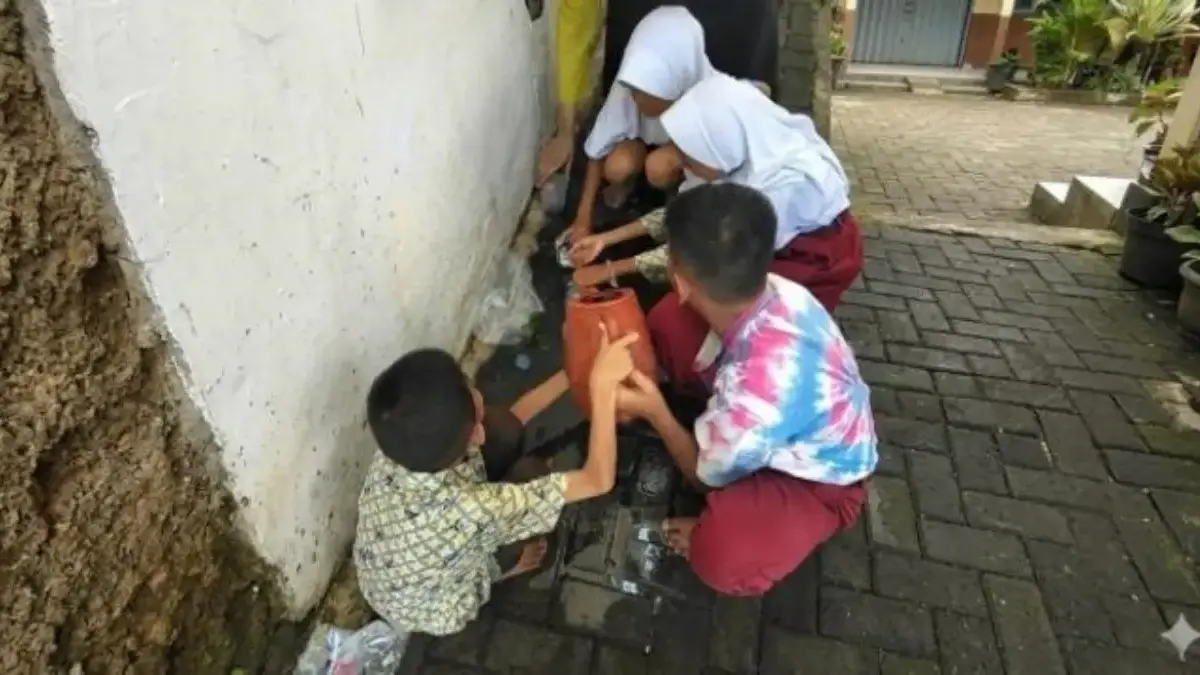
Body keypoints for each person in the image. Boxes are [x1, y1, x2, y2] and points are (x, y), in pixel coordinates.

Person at [613, 182, 876, 595]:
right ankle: (709, 427)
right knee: (669, 321)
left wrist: (654, 411)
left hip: (822, 484)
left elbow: (706, 479)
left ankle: (738, 531)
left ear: (679, 279)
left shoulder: (754, 400)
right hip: (776, 414)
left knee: (724, 550)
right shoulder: (783, 289)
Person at [354, 330, 638, 636]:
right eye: (469, 387)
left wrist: (581, 368)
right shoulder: (475, 508)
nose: (475, 389)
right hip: (432, 602)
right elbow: (598, 479)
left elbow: (516, 415)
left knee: (502, 426)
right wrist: (603, 388)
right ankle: (504, 566)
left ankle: (498, 541)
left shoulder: (398, 447)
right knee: (533, 472)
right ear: (474, 436)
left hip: (394, 568)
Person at [571, 73, 863, 316]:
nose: (681, 161)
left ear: (716, 141)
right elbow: (693, 212)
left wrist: (609, 270)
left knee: (674, 322)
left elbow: (709, 253)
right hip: (765, 246)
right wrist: (604, 240)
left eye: (689, 152)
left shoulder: (782, 189)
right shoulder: (742, 147)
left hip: (810, 260)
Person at [537, 0, 779, 185]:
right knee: (629, 158)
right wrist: (566, 129)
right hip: (645, 24)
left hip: (734, 28)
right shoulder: (641, 68)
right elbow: (578, 18)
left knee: (717, 157)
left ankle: (710, 161)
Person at [567, 6, 714, 242]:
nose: (640, 105)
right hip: (646, 142)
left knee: (659, 169)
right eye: (637, 97)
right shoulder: (632, 83)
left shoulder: (703, 101)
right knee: (617, 166)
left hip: (679, 152)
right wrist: (582, 220)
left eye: (656, 104)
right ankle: (635, 184)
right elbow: (597, 150)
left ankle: (673, 193)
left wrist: (608, 247)